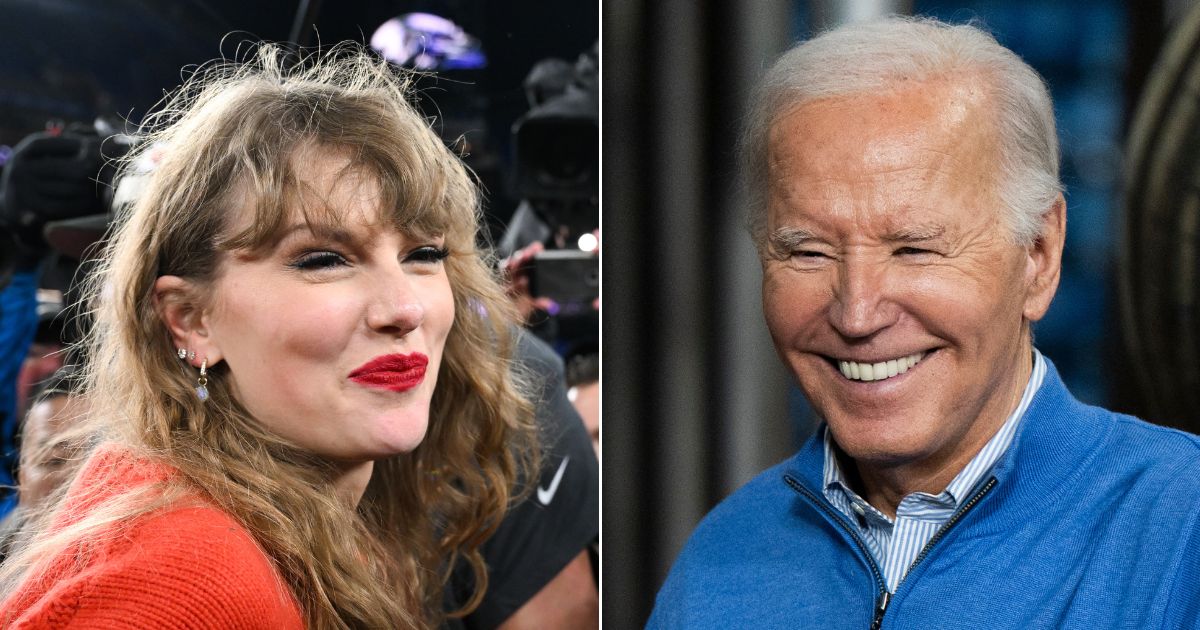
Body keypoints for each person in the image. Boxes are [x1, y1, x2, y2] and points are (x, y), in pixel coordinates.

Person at [649, 17, 1200, 630]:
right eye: (807, 251)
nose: (857, 314)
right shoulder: (720, 562)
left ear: (1039, 256)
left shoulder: (1182, 531)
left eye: (914, 248)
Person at [0, 43, 536, 629]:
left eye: (424, 254)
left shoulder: (282, 524)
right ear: (191, 320)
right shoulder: (177, 580)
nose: (404, 307)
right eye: (323, 259)